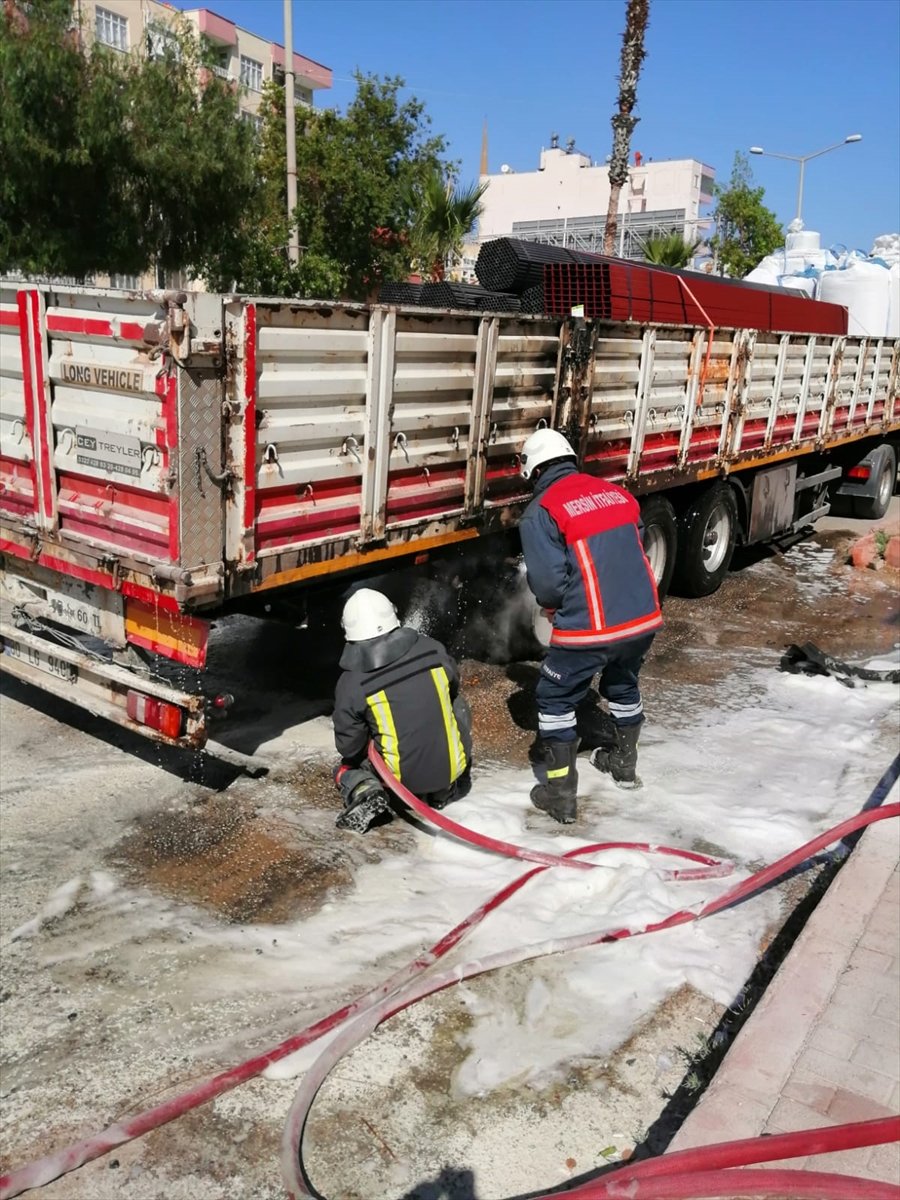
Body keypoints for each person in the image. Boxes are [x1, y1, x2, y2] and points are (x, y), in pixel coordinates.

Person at [517, 429, 662, 823]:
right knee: (622, 682)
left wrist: (551, 607)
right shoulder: (616, 494)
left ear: (532, 470)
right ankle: (624, 765)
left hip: (591, 628)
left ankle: (560, 794)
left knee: (555, 698)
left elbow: (548, 583)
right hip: (643, 618)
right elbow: (632, 547)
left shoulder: (541, 511)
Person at [331, 588, 472, 832]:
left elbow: (349, 747)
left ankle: (366, 789)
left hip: (401, 782)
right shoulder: (433, 648)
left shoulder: (352, 682)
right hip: (452, 768)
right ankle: (443, 789)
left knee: (345, 768)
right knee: (455, 704)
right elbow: (452, 688)